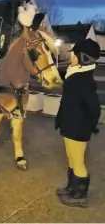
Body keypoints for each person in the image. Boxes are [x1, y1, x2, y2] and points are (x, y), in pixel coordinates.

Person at [55, 38, 101, 208]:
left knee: (78, 160)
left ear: (83, 58)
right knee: (71, 158)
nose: (71, 57)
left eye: (74, 54)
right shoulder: (74, 74)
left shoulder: (83, 80)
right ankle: (72, 188)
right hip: (69, 126)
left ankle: (80, 195)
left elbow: (94, 109)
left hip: (77, 128)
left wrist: (87, 127)